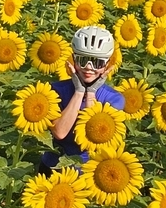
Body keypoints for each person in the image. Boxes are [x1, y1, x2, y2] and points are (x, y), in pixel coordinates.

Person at [40, 25, 124, 176]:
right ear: (74, 60)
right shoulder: (55, 90)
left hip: (88, 172)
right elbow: (59, 132)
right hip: (52, 168)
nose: (89, 68)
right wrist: (79, 92)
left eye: (97, 62)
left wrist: (90, 93)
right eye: (83, 60)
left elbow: (93, 137)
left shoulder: (114, 99)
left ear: (107, 64)